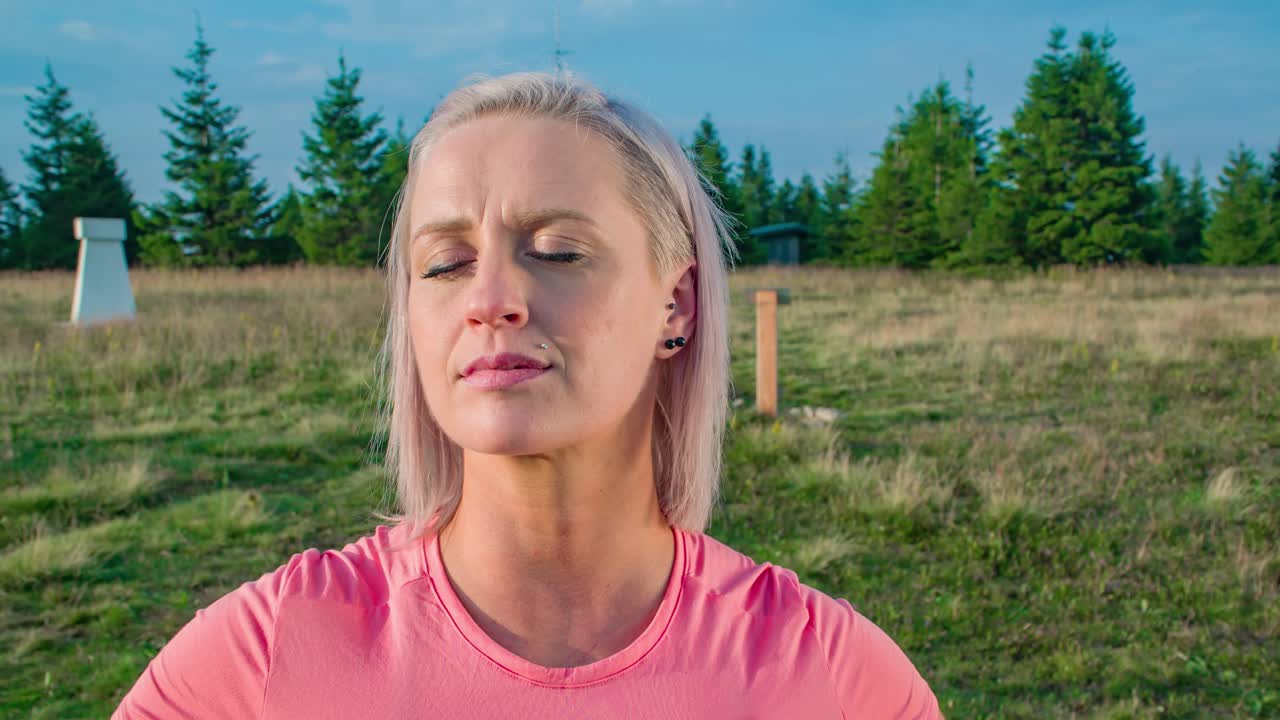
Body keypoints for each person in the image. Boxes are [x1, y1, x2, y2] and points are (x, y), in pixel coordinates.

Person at [112, 70, 942, 719]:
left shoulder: (829, 675)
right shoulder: (266, 653)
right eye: (444, 263)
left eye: (557, 250)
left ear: (676, 305)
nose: (490, 297)